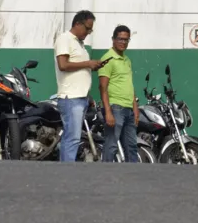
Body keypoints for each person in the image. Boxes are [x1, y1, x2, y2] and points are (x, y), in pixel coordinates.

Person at [53, 10, 105, 163]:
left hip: (80, 97)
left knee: (74, 137)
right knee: (72, 138)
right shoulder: (64, 39)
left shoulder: (79, 44)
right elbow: (63, 65)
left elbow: (78, 72)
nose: (89, 32)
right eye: (87, 28)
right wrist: (88, 64)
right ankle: (67, 172)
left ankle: (67, 170)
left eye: (91, 29)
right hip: (71, 98)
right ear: (77, 24)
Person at [97, 25, 140, 163]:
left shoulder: (127, 60)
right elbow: (102, 88)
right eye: (120, 39)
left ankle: (132, 177)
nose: (123, 42)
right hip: (115, 108)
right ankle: (106, 176)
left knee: (132, 146)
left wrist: (135, 108)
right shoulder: (107, 59)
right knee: (111, 145)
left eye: (126, 40)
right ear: (113, 39)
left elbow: (130, 86)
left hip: (129, 110)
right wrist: (108, 112)